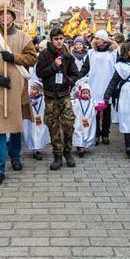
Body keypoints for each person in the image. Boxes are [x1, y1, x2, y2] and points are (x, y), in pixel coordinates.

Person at [0, 4, 37, 185]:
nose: (5, 18)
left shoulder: (23, 37)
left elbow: (32, 58)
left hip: (17, 85)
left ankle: (16, 157)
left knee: (15, 124)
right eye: (1, 15)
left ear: (12, 17)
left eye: (8, 15)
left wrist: (14, 58)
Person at [36, 27, 79, 170]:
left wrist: (69, 81)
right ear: (51, 40)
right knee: (53, 127)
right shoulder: (44, 55)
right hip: (50, 96)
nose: (59, 42)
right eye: (56, 39)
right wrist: (54, 66)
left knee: (68, 125)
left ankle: (68, 153)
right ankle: (57, 155)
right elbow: (40, 72)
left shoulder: (68, 56)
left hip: (64, 95)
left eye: (61, 39)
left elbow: (75, 74)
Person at [79, 30, 118, 145]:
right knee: (94, 112)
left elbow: (118, 69)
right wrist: (77, 80)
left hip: (108, 86)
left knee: (106, 112)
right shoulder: (91, 53)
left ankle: (105, 134)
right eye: (95, 38)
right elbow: (85, 69)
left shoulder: (114, 53)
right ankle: (96, 134)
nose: (95, 40)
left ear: (104, 39)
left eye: (98, 38)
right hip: (94, 85)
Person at [22, 80, 51, 161]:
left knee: (40, 133)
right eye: (31, 89)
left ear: (39, 91)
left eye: (35, 89)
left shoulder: (43, 98)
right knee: (32, 133)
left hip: (40, 120)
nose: (32, 91)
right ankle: (35, 148)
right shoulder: (28, 99)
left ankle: (38, 149)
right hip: (31, 121)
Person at [71, 82, 98, 156]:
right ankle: (80, 146)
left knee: (86, 132)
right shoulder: (77, 101)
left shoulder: (91, 101)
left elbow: (96, 106)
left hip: (87, 121)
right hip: (79, 120)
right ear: (80, 93)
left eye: (87, 93)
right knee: (78, 131)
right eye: (83, 93)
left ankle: (83, 146)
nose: (85, 94)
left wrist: (99, 106)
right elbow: (72, 104)